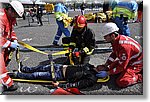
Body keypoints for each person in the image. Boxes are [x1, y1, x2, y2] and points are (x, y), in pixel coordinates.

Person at [97, 23, 143, 88]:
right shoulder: (116, 40)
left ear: (112, 35)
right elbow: (114, 54)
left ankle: (140, 77)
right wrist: (106, 64)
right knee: (107, 68)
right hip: (129, 59)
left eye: (105, 36)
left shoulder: (124, 47)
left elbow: (122, 67)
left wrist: (108, 73)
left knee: (122, 81)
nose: (104, 38)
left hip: (136, 63)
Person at [10, 63, 108, 90]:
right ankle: (24, 69)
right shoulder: (90, 66)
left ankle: (18, 75)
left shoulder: (92, 78)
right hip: (59, 67)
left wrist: (60, 86)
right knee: (39, 68)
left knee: (37, 75)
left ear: (101, 73)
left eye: (103, 67)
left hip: (59, 75)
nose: (102, 65)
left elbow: (77, 84)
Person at [0, 1, 24, 91]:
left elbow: (10, 30)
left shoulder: (9, 17)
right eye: (16, 15)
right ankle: (8, 84)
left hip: (3, 45)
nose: (16, 17)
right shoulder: (1, 18)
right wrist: (10, 44)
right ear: (10, 10)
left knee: (5, 60)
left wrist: (14, 39)